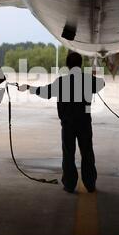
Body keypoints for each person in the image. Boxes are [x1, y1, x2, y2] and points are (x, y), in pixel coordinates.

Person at [18, 52, 105, 193]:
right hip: (84, 123)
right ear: (80, 64)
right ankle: (90, 184)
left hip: (68, 124)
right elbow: (102, 84)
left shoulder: (61, 82)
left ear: (67, 65)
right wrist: (90, 77)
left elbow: (45, 92)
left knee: (68, 154)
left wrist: (29, 88)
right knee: (87, 153)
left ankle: (70, 184)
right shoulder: (88, 80)